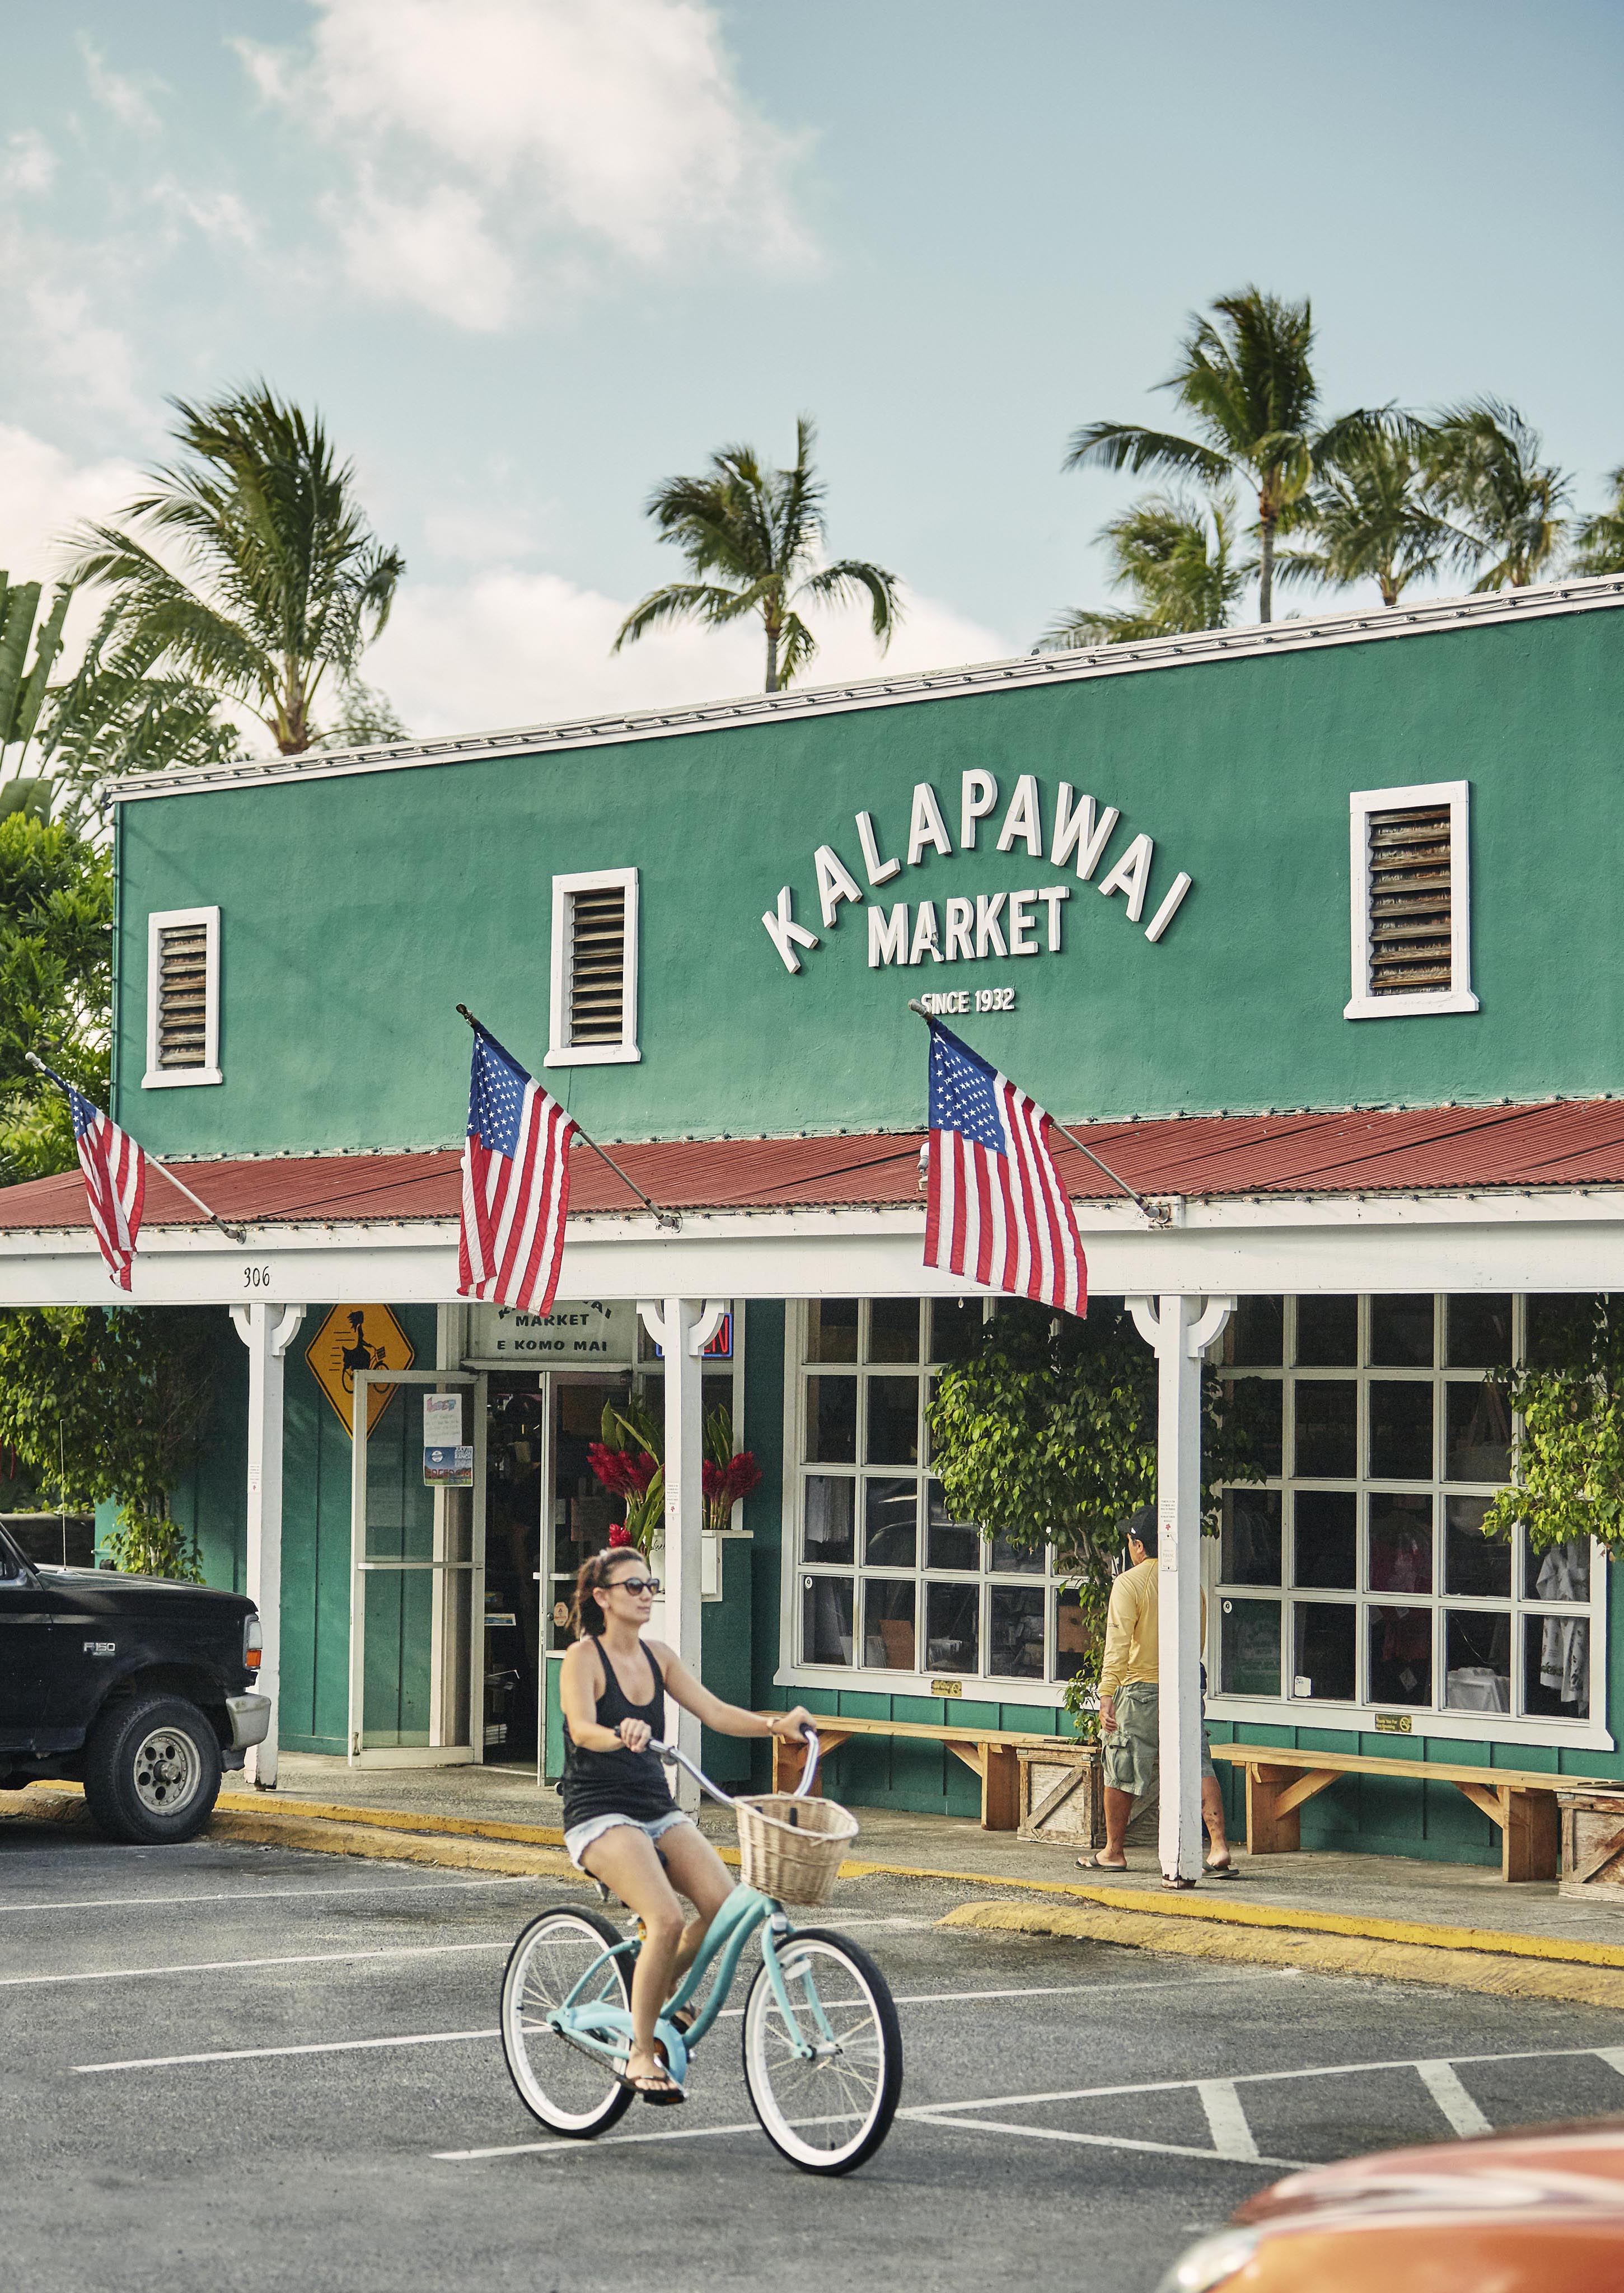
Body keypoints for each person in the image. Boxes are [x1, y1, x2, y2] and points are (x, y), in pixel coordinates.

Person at [558, 1546, 813, 2105]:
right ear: (602, 1597)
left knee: (724, 1907)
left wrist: (778, 1725)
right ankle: (640, 2051)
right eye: (633, 1586)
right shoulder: (583, 1657)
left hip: (655, 1803)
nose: (646, 1593)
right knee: (666, 1916)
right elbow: (581, 1728)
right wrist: (617, 1734)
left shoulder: (660, 1657)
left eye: (649, 1584)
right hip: (598, 1808)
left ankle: (654, 1980)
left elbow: (716, 1712)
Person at [1077, 1505, 1236, 1881]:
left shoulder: (1129, 1583)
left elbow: (1116, 1644)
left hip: (1138, 1688)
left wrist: (1105, 1693)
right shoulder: (1189, 1584)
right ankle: (1217, 1846)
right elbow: (1196, 1642)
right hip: (1183, 1687)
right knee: (1197, 1763)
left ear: (1137, 1545)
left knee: (1120, 1765)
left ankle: (1113, 1850)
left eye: (1129, 1540)